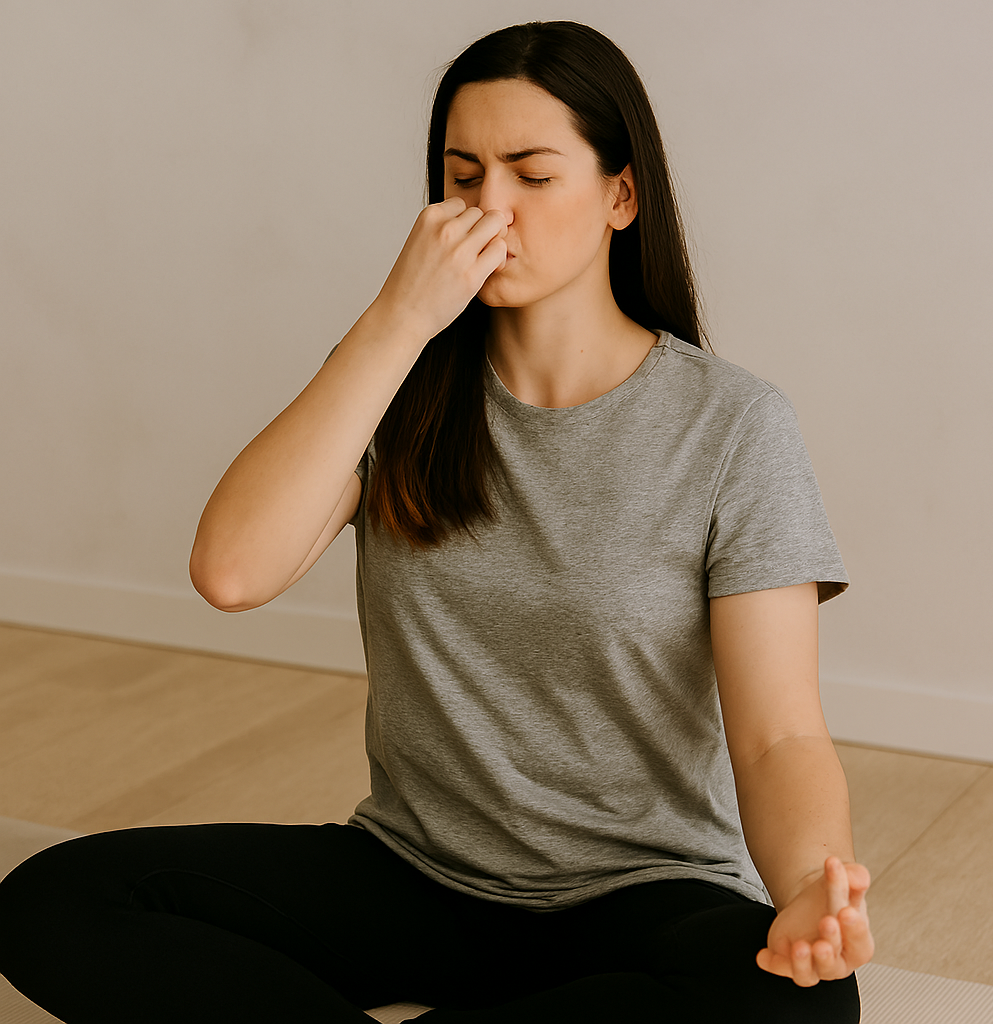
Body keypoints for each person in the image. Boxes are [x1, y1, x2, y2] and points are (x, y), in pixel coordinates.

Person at [0, 20, 873, 1024]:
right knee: (56, 900)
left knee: (802, 1003)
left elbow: (777, 738)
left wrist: (811, 881)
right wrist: (397, 320)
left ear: (619, 197)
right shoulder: (395, 380)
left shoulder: (732, 424)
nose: (489, 209)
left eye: (532, 176)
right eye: (464, 177)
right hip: (411, 873)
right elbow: (231, 572)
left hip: (639, 892)